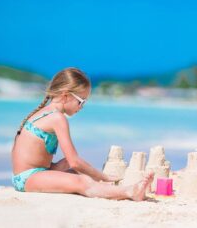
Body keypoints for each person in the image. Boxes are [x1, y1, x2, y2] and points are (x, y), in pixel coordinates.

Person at [11, 67, 153, 200]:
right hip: (28, 178)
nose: (82, 107)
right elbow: (75, 161)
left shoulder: (43, 114)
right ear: (66, 96)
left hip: (36, 172)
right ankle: (130, 191)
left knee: (76, 171)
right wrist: (102, 176)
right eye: (81, 101)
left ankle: (103, 187)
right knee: (81, 180)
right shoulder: (57, 118)